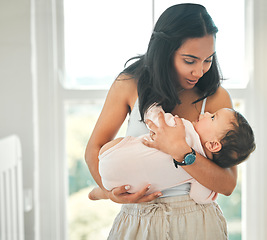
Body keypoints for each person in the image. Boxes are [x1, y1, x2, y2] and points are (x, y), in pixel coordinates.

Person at [85, 3, 243, 239]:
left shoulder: (216, 97)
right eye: (190, 60)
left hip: (198, 223)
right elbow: (93, 150)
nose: (199, 71)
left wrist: (183, 153)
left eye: (208, 59)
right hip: (138, 220)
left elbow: (227, 184)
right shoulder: (129, 84)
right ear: (165, 51)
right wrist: (110, 193)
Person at [89, 104, 255, 204]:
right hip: (130, 188)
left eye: (212, 118)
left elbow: (155, 118)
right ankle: (102, 192)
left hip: (110, 153)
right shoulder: (200, 175)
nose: (205, 114)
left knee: (132, 143)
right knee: (143, 185)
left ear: (213, 144)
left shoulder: (183, 128)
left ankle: (104, 190)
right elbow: (199, 197)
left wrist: (154, 104)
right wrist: (211, 191)